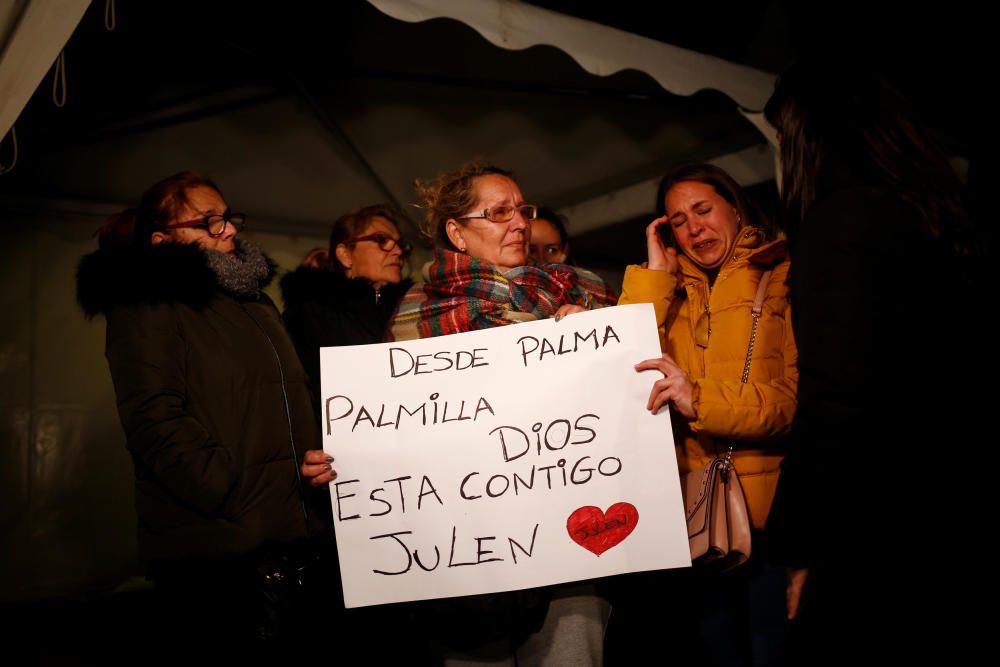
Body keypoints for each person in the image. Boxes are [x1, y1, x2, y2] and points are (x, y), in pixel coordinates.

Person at [762, 58, 984, 663]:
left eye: (783, 138)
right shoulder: (938, 218)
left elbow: (836, 396)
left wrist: (803, 548)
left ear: (810, 137)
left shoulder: (841, 223)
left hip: (883, 525)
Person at [76, 171, 328, 654]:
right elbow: (153, 417)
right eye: (208, 222)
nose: (228, 229)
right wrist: (226, 490)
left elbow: (274, 406)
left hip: (285, 539)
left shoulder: (254, 304)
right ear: (161, 239)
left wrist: (309, 461)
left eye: (228, 217)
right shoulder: (148, 303)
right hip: (218, 554)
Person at [381, 161, 616, 664]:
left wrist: (591, 340)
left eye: (523, 210)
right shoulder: (417, 314)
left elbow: (622, 402)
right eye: (500, 212)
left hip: (569, 542)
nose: (519, 223)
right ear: (456, 233)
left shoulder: (585, 294)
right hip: (471, 554)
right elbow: (399, 430)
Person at [614, 162, 797, 666]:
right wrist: (654, 280)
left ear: (735, 209)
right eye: (677, 220)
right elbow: (617, 369)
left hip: (771, 525)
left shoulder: (783, 277)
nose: (694, 228)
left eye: (703, 209)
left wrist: (701, 401)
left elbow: (794, 403)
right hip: (694, 528)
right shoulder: (669, 297)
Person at [281, 204, 414, 404]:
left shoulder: (413, 309)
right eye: (381, 240)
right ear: (345, 254)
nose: (397, 251)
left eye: (400, 244)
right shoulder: (307, 316)